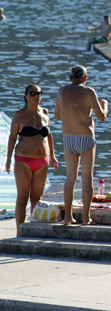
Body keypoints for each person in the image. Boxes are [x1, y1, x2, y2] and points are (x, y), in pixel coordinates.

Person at [56, 65, 108, 226]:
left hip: (68, 139)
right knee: (87, 178)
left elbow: (57, 116)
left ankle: (68, 217)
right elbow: (101, 117)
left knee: (70, 178)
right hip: (85, 138)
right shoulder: (88, 92)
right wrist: (105, 105)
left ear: (70, 78)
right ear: (85, 78)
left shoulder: (62, 91)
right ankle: (86, 218)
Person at [4, 84, 58, 236]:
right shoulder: (19, 115)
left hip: (43, 161)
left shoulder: (45, 113)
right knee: (22, 197)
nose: (36, 96)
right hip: (23, 160)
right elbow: (12, 137)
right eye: (32, 93)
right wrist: (8, 160)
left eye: (39, 93)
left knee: (37, 198)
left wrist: (53, 156)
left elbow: (50, 136)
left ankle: (33, 232)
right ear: (26, 96)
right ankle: (20, 232)